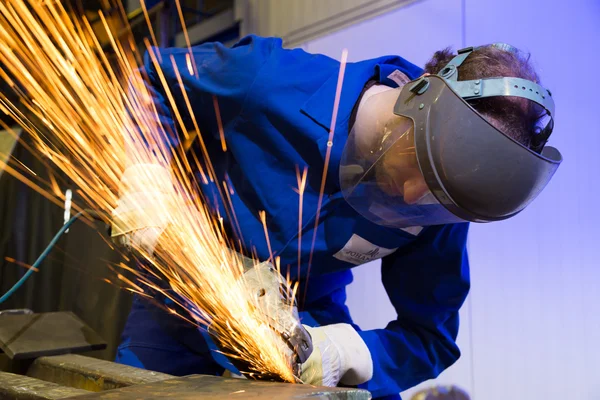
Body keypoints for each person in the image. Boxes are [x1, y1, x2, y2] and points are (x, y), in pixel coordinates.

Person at [111, 35, 561, 399]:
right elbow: (156, 78)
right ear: (414, 99)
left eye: (434, 195)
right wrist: (146, 174)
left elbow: (430, 338)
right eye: (417, 164)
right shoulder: (272, 81)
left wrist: (349, 352)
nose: (411, 195)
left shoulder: (444, 200)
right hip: (181, 301)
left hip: (301, 326)